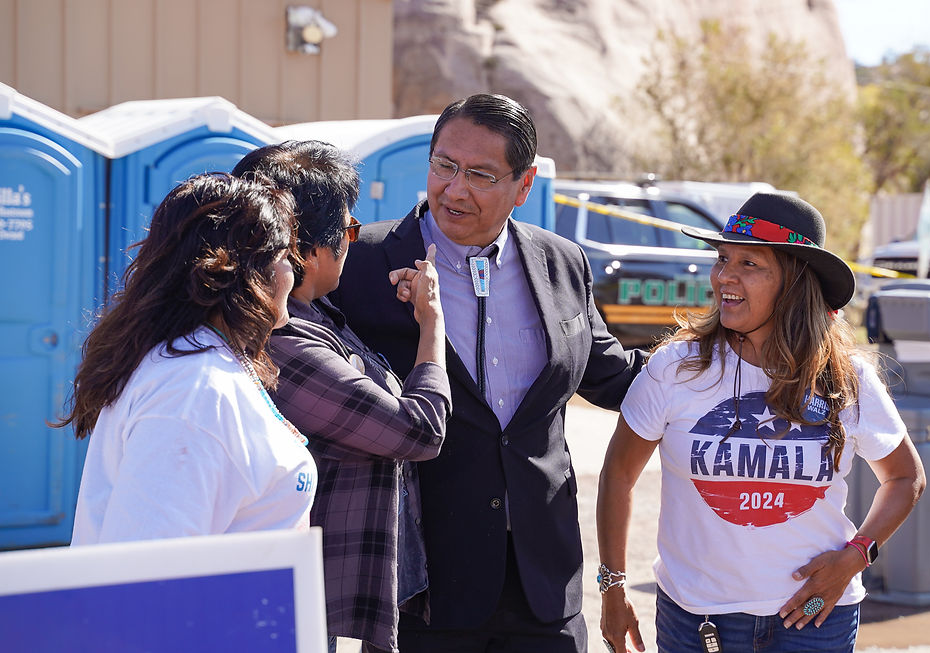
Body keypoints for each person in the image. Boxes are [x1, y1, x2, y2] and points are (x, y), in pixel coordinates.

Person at [330, 93, 648, 652]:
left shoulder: (561, 262)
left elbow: (613, 375)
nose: (455, 189)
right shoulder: (361, 263)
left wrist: (725, 363)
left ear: (523, 187)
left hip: (544, 584)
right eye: (444, 166)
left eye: (480, 174)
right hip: (422, 585)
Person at [596, 192, 926, 653]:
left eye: (749, 264)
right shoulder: (675, 368)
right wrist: (612, 586)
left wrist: (854, 558)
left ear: (794, 282)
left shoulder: (844, 378)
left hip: (814, 618)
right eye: (723, 258)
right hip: (697, 619)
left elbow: (905, 476)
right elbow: (617, 475)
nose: (724, 276)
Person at [232, 141, 451, 653]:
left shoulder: (317, 313)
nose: (354, 241)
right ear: (302, 248)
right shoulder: (285, 340)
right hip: (309, 607)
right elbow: (418, 431)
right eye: (349, 230)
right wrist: (432, 323)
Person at [63, 172, 316, 544]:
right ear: (246, 273)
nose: (292, 272)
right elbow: (148, 571)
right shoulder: (194, 390)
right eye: (283, 257)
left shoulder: (195, 364)